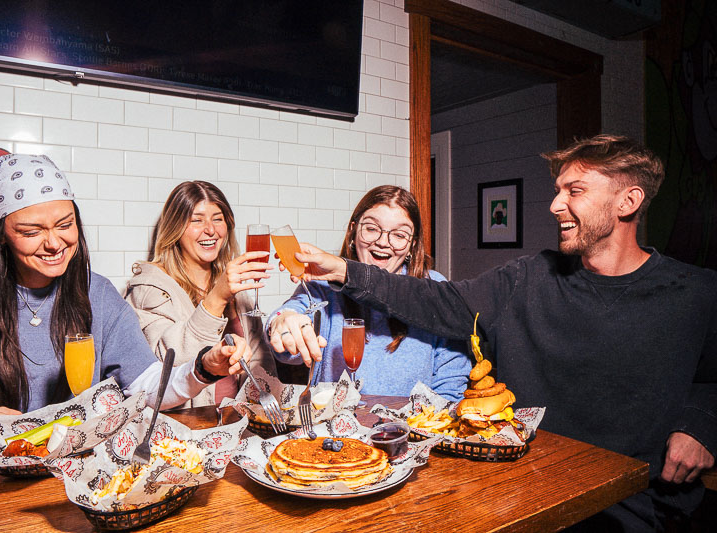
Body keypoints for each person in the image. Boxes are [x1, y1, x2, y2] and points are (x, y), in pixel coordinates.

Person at [289, 135, 717, 531]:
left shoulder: (697, 292)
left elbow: (711, 375)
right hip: (523, 493)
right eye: (558, 190)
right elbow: (439, 301)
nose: (555, 204)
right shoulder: (527, 278)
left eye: (575, 191)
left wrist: (701, 424)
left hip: (637, 505)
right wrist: (346, 270)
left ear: (628, 201)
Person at [0, 155, 253, 452]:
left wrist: (203, 367)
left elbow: (147, 387)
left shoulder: (98, 294)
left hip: (74, 478)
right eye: (32, 231)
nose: (54, 243)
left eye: (65, 225)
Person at [265, 185, 470, 400]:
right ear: (353, 230)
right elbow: (289, 337)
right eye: (371, 229)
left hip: (413, 430)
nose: (382, 242)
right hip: (335, 430)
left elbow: (451, 383)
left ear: (412, 244)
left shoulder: (434, 286)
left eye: (399, 235)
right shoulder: (324, 282)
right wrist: (283, 321)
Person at [125, 181, 277, 407]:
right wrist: (216, 298)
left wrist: (263, 416)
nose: (211, 230)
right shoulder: (149, 288)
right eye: (197, 220)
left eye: (218, 219)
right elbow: (164, 365)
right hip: (184, 430)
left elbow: (258, 361)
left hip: (237, 424)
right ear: (175, 228)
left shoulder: (236, 288)